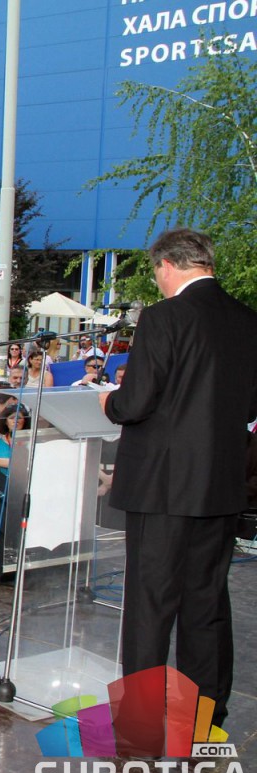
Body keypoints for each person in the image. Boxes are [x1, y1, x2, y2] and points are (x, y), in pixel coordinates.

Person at [99, 228, 257, 740]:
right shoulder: (247, 319)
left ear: (167, 265)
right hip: (220, 486)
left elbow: (137, 401)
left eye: (156, 273)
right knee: (206, 604)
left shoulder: (164, 317)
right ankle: (206, 720)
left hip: (163, 487)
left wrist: (110, 402)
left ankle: (141, 723)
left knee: (151, 605)